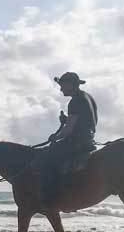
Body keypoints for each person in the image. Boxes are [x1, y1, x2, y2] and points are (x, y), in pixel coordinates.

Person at [40, 72, 98, 201]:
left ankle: (54, 196)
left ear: (71, 85)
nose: (61, 89)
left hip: (77, 141)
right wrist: (66, 120)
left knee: (46, 157)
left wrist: (56, 136)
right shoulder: (87, 97)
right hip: (88, 139)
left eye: (62, 85)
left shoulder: (75, 101)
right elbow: (83, 120)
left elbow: (68, 130)